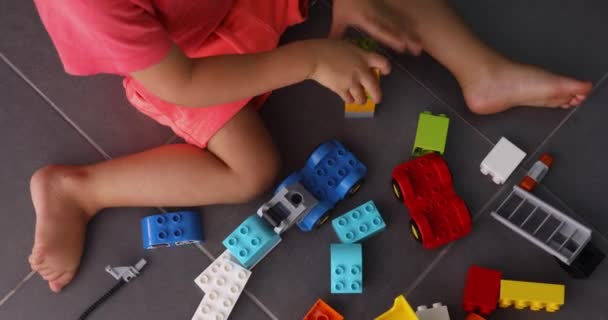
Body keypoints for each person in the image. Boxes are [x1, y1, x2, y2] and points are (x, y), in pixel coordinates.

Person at [30, 0, 592, 293]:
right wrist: (311, 60)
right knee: (250, 171)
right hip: (184, 61)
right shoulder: (91, 6)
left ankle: (483, 72)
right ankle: (80, 190)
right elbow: (182, 84)